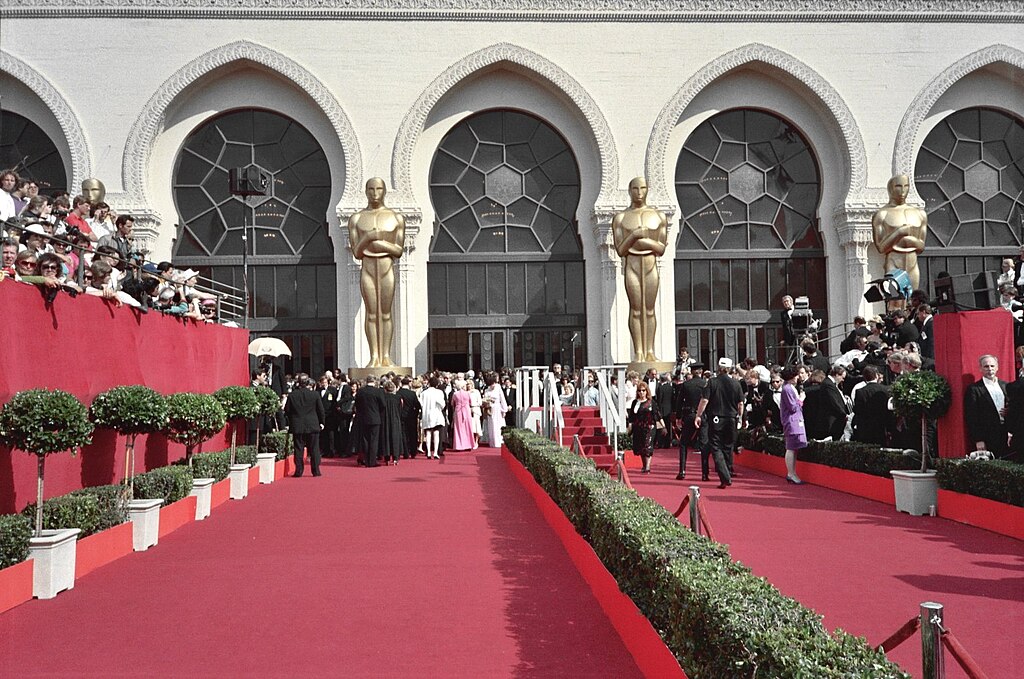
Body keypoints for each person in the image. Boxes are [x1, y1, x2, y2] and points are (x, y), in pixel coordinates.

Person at [348, 177, 406, 368]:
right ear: (365, 191)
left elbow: (398, 250)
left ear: (384, 191)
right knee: (371, 314)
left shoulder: (396, 217)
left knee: (386, 313)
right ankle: (374, 356)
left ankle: (386, 356)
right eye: (371, 189)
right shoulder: (356, 218)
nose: (375, 193)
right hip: (368, 269)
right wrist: (369, 237)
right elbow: (357, 251)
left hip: (386, 267)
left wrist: (379, 243)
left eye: (379, 189)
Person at [611, 176, 668, 362]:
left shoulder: (658, 216)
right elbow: (620, 250)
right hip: (632, 266)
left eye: (643, 188)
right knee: (636, 309)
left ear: (648, 190)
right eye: (635, 188)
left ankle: (650, 350)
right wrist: (635, 234)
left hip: (650, 266)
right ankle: (638, 352)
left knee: (649, 309)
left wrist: (644, 240)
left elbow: (661, 248)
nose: (639, 192)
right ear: (629, 190)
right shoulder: (620, 218)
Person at [872, 174, 927, 292]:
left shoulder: (919, 214)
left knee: (912, 298)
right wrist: (899, 232)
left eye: (906, 186)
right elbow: (881, 247)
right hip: (893, 260)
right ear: (891, 188)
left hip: (912, 262)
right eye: (898, 186)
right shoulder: (882, 214)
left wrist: (911, 241)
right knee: (894, 300)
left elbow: (921, 246)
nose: (903, 191)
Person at [694, 358, 744, 488]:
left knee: (716, 447)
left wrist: (698, 415)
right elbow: (740, 404)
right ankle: (727, 472)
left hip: (716, 418)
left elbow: (704, 400)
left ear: (718, 367)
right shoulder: (736, 383)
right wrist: (740, 416)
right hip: (731, 418)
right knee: (728, 447)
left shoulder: (712, 382)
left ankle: (725, 476)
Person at [964, 354, 1009, 457]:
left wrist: (1009, 412)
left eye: (992, 366)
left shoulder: (1006, 386)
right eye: (986, 366)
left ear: (997, 367)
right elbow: (971, 416)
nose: (990, 369)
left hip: (1006, 435)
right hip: (987, 436)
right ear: (980, 368)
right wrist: (978, 439)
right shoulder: (974, 389)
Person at [285, 374, 325, 477]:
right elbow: (321, 410)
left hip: (298, 425)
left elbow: (287, 410)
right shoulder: (315, 395)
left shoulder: (293, 395)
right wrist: (322, 422)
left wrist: (292, 420)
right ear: (308, 383)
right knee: (314, 448)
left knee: (298, 448)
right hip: (312, 424)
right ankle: (316, 471)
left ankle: (299, 471)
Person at [672, 366, 707, 480]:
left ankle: (682, 471)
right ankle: (704, 474)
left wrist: (678, 417)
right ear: (701, 372)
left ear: (692, 372)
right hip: (703, 415)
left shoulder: (686, 385)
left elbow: (679, 401)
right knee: (704, 444)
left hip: (689, 415)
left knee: (683, 443)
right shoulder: (706, 384)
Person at [779, 365, 806, 484]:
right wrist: (801, 399)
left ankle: (792, 472)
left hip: (795, 420)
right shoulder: (788, 389)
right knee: (790, 447)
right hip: (792, 421)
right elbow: (793, 407)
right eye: (796, 375)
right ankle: (790, 473)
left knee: (794, 448)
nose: (798, 377)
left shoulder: (789, 387)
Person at [626, 381, 661, 474]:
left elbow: (657, 415)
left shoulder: (651, 402)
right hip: (638, 427)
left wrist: (663, 426)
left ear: (647, 391)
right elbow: (631, 417)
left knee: (647, 446)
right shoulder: (635, 402)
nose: (641, 392)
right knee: (640, 447)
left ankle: (648, 467)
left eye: (643, 390)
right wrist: (629, 426)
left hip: (649, 427)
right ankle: (644, 465)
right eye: (639, 391)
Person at [354, 374, 387, 467]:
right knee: (374, 440)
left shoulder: (361, 391)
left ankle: (366, 460)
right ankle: (372, 461)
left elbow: (357, 404)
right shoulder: (378, 392)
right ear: (374, 381)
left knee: (365, 440)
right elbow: (383, 405)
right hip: (375, 418)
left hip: (363, 418)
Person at [852, 366, 891, 445]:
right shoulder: (886, 390)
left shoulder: (860, 392)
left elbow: (857, 410)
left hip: (865, 427)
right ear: (876, 376)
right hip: (881, 426)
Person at [419, 375, 447, 459]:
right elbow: (442, 404)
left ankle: (428, 452)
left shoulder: (424, 393)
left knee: (428, 433)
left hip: (427, 414)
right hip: (436, 414)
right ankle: (435, 452)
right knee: (436, 433)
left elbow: (421, 404)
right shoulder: (439, 392)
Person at [482, 373, 509, 447]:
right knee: (492, 426)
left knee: (499, 425)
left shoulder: (498, 388)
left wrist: (504, 410)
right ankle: (493, 442)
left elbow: (502, 399)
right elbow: (484, 400)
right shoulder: (487, 390)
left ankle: (500, 441)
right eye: (491, 384)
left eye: (493, 383)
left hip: (498, 409)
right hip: (491, 409)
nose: (493, 385)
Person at [397, 377, 421, 458]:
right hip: (411, 416)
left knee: (403, 434)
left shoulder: (398, 393)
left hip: (401, 416)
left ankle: (405, 452)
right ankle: (413, 452)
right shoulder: (412, 394)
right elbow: (417, 405)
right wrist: (415, 414)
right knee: (413, 434)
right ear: (409, 384)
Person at [449, 379, 475, 451]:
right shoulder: (468, 393)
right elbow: (470, 402)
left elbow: (452, 403)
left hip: (458, 411)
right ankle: (468, 444)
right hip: (466, 410)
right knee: (467, 427)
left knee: (458, 428)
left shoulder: (455, 394)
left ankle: (459, 445)